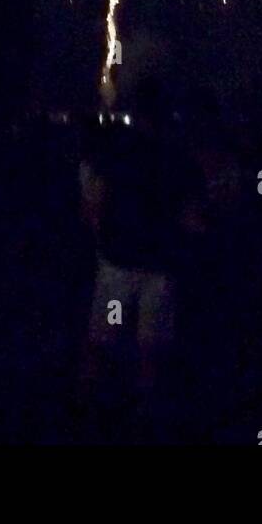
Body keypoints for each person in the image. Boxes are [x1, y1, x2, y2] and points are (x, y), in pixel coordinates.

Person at [80, 80, 201, 435]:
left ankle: (87, 411)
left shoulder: (116, 150)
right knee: (150, 348)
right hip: (158, 267)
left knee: (102, 339)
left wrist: (101, 238)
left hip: (118, 262)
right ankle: (144, 422)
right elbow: (191, 218)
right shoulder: (177, 158)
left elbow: (93, 201)